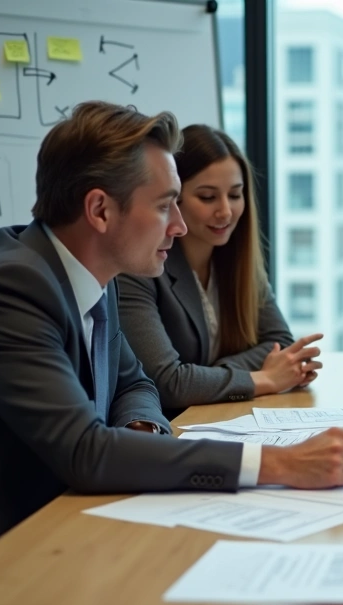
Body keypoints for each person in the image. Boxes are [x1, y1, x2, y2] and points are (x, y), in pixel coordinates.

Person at [0, 102, 343, 605]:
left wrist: (139, 435)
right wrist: (282, 463)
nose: (181, 226)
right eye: (166, 205)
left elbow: (136, 385)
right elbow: (87, 452)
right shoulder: (11, 287)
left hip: (57, 525)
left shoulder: (93, 276)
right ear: (99, 210)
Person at [117, 124, 320, 419]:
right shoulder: (140, 267)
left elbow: (281, 345)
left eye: (235, 195)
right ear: (174, 198)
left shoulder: (239, 260)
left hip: (224, 417)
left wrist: (201, 378)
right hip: (170, 430)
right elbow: (167, 383)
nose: (225, 211)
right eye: (208, 197)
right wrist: (261, 378)